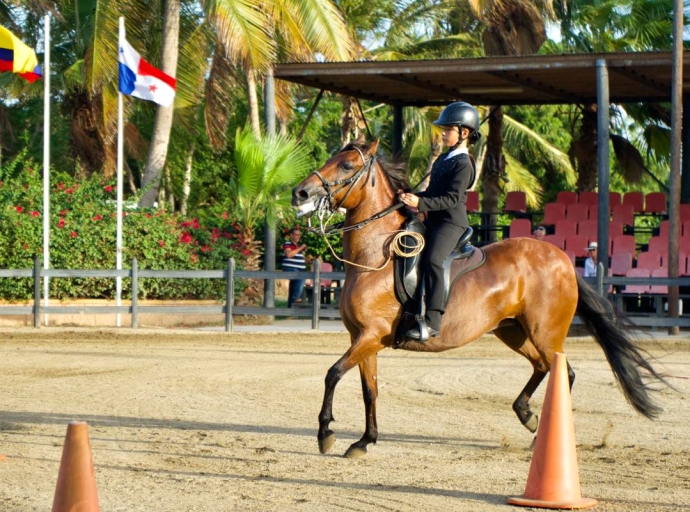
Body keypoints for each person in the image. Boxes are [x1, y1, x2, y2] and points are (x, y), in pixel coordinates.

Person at [398, 101, 481, 341]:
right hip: (434, 220)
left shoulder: (464, 163)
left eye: (447, 129)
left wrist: (420, 203)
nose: (443, 133)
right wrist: (411, 196)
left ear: (463, 133)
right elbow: (433, 193)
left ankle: (433, 321)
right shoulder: (443, 159)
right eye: (443, 129)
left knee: (433, 260)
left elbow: (452, 199)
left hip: (451, 224)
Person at [282, 227, 307, 307]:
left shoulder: (298, 247)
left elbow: (301, 261)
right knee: (301, 277)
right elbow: (289, 255)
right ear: (291, 235)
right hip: (290, 269)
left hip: (298, 270)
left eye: (299, 235)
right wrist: (301, 248)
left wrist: (311, 261)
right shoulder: (288, 244)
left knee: (293, 288)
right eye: (296, 235)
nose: (298, 237)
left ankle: (290, 309)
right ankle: (295, 299)